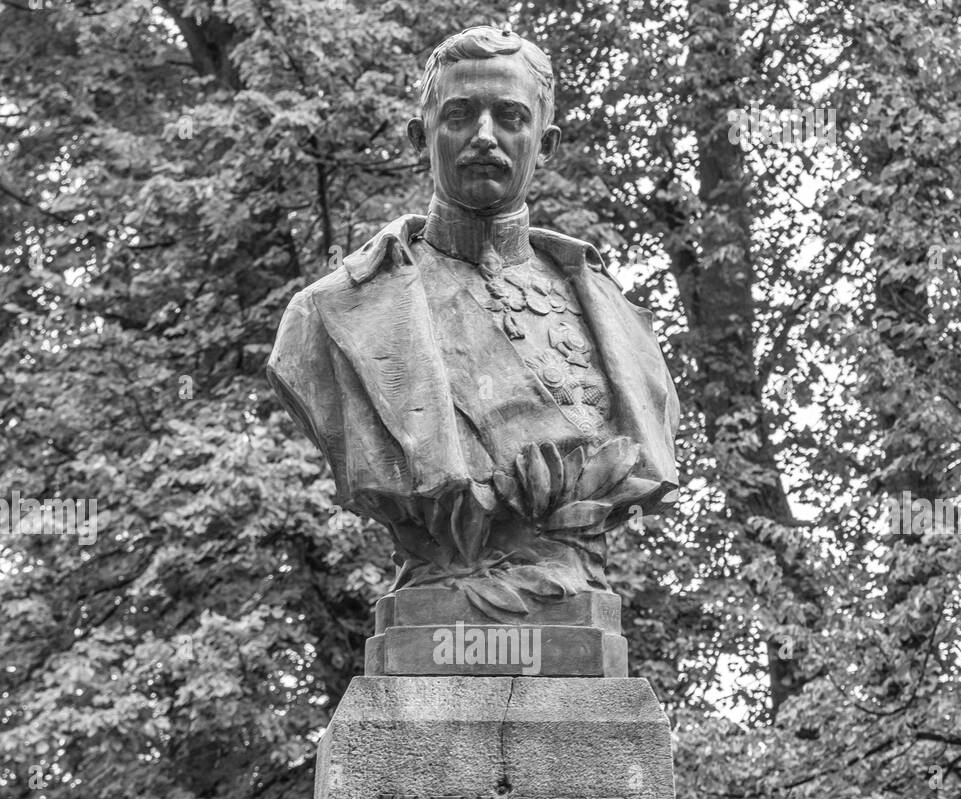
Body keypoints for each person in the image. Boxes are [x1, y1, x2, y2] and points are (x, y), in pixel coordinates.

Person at [267, 24, 679, 597]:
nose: (484, 136)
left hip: (578, 606)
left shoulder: (616, 316)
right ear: (420, 136)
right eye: (459, 115)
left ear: (546, 142)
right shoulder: (329, 313)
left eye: (510, 117)